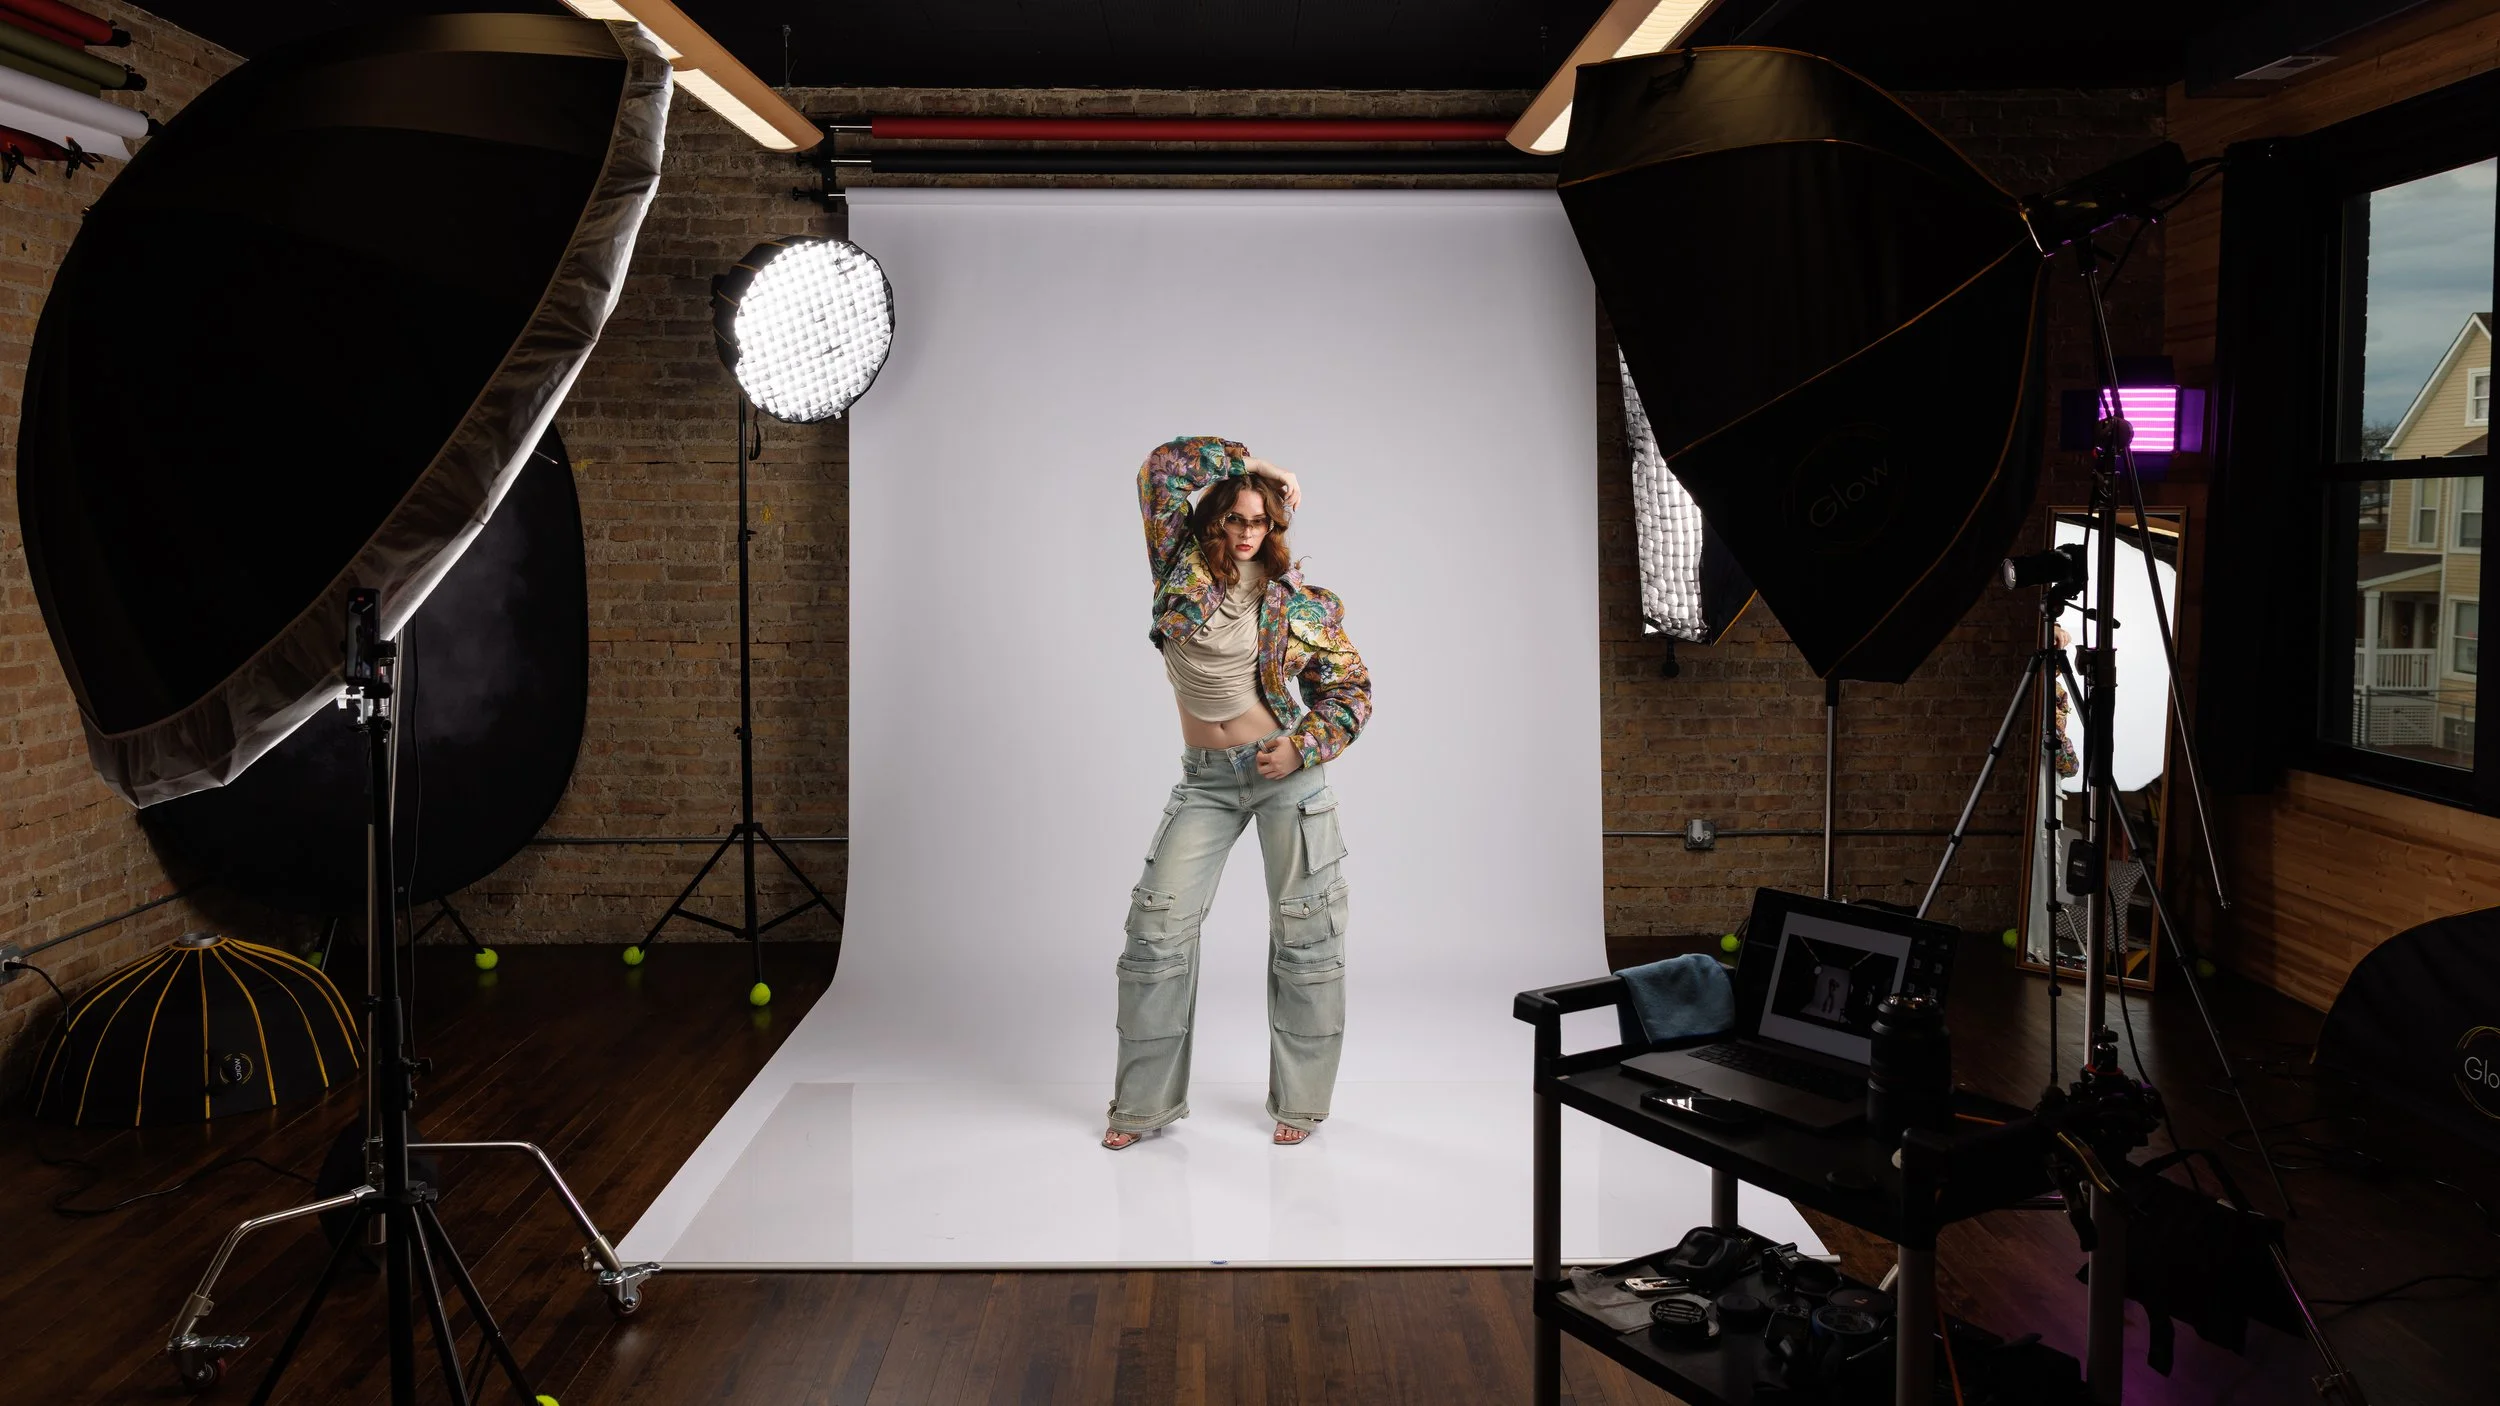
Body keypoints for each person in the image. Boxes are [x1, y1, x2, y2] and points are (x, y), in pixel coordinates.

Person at [1102, 435, 1373, 1151]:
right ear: (1214, 520)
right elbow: (1160, 470)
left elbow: (1351, 692)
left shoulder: (1295, 603)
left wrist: (1304, 744)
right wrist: (1264, 466)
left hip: (1284, 776)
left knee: (1307, 938)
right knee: (1156, 933)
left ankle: (1303, 1103)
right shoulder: (1178, 567)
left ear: (1275, 530)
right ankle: (1142, 1106)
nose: (1250, 533)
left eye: (1263, 521)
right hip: (1208, 782)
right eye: (1238, 519)